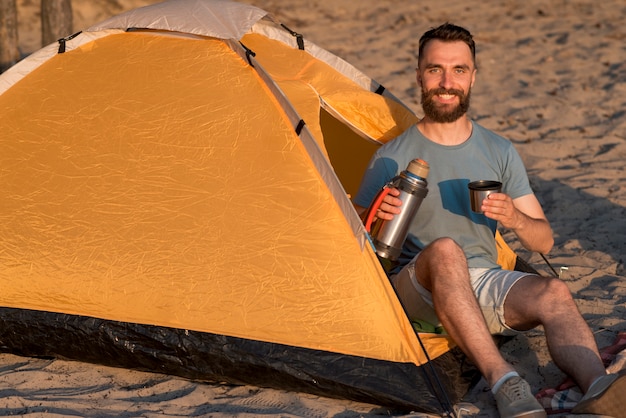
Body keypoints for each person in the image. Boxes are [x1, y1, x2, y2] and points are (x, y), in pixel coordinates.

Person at [352, 23, 625, 418]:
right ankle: (505, 381)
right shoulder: (392, 156)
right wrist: (376, 215)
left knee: (555, 292)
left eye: (458, 70)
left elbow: (544, 242)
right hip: (418, 287)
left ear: (473, 75)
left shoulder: (498, 149)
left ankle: (599, 387)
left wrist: (514, 216)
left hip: (482, 280)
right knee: (446, 251)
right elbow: (353, 236)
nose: (447, 83)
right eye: (435, 70)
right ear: (419, 75)